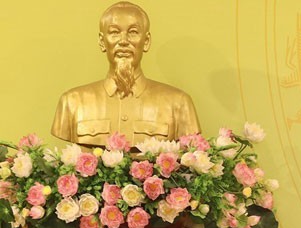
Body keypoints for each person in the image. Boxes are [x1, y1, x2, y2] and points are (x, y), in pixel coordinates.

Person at [51, 1, 200, 146]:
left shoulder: (179, 103)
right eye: (114, 32)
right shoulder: (72, 102)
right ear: (102, 42)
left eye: (133, 32)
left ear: (146, 41)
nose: (123, 41)